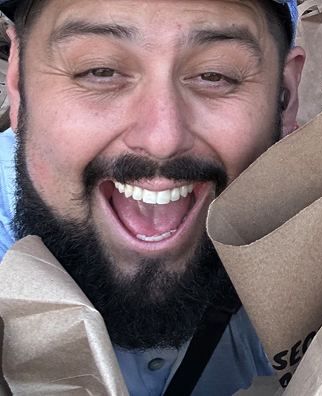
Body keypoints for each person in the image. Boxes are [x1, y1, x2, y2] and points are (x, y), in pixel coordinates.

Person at [0, 0, 305, 394]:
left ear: (284, 97)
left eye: (215, 75)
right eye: (100, 70)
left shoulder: (319, 249)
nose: (162, 140)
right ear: (18, 82)